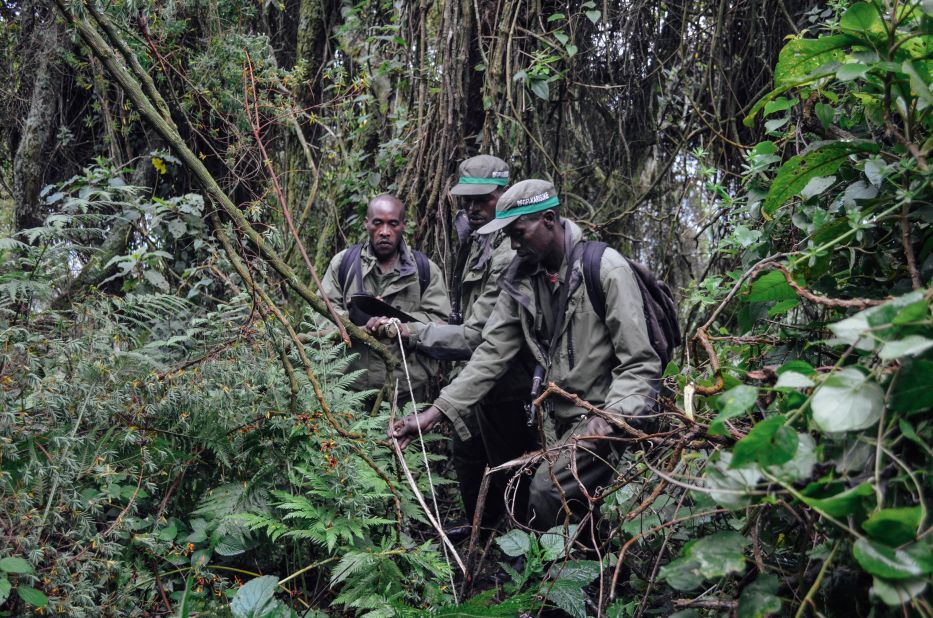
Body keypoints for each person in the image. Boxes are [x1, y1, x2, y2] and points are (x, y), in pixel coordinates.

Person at [390, 179, 661, 531]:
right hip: (562, 417)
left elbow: (641, 363)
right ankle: (598, 574)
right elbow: (491, 351)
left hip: (608, 414)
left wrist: (609, 420)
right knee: (558, 500)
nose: (515, 246)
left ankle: (575, 576)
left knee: (548, 492)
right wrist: (434, 413)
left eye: (520, 234)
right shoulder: (521, 278)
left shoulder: (605, 269)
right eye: (509, 238)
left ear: (548, 219)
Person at [368, 155, 536, 533]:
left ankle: (519, 544)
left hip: (508, 378)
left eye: (483, 200)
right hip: (478, 377)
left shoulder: (509, 250)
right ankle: (483, 529)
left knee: (514, 467)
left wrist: (408, 330)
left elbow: (479, 334)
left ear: (504, 194)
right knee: (469, 453)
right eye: (467, 201)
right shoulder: (480, 240)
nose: (473, 209)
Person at [321, 194, 450, 404]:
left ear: (403, 226)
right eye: (378, 223)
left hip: (406, 387)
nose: (384, 232)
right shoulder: (343, 264)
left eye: (393, 224)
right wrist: (353, 320)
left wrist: (397, 323)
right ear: (366, 224)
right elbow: (320, 315)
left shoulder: (425, 271)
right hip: (349, 385)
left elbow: (441, 323)